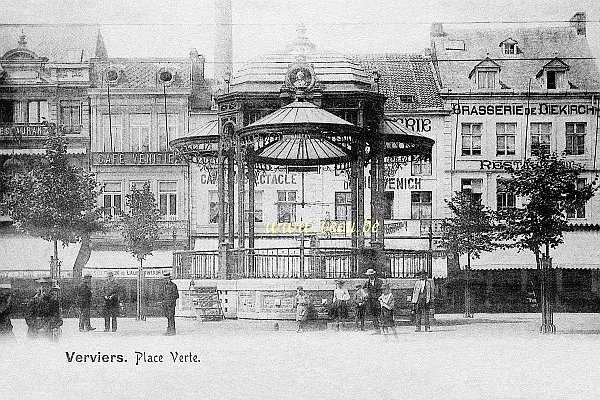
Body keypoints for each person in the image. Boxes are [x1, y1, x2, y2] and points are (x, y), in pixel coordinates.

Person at [364, 268, 383, 333]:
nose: (370, 276)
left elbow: (382, 290)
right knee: (373, 315)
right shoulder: (367, 283)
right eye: (368, 275)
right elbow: (364, 290)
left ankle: (384, 328)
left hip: (378, 300)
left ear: (374, 275)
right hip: (370, 301)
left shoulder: (379, 281)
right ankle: (377, 329)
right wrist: (366, 294)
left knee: (380, 314)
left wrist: (378, 296)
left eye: (371, 275)